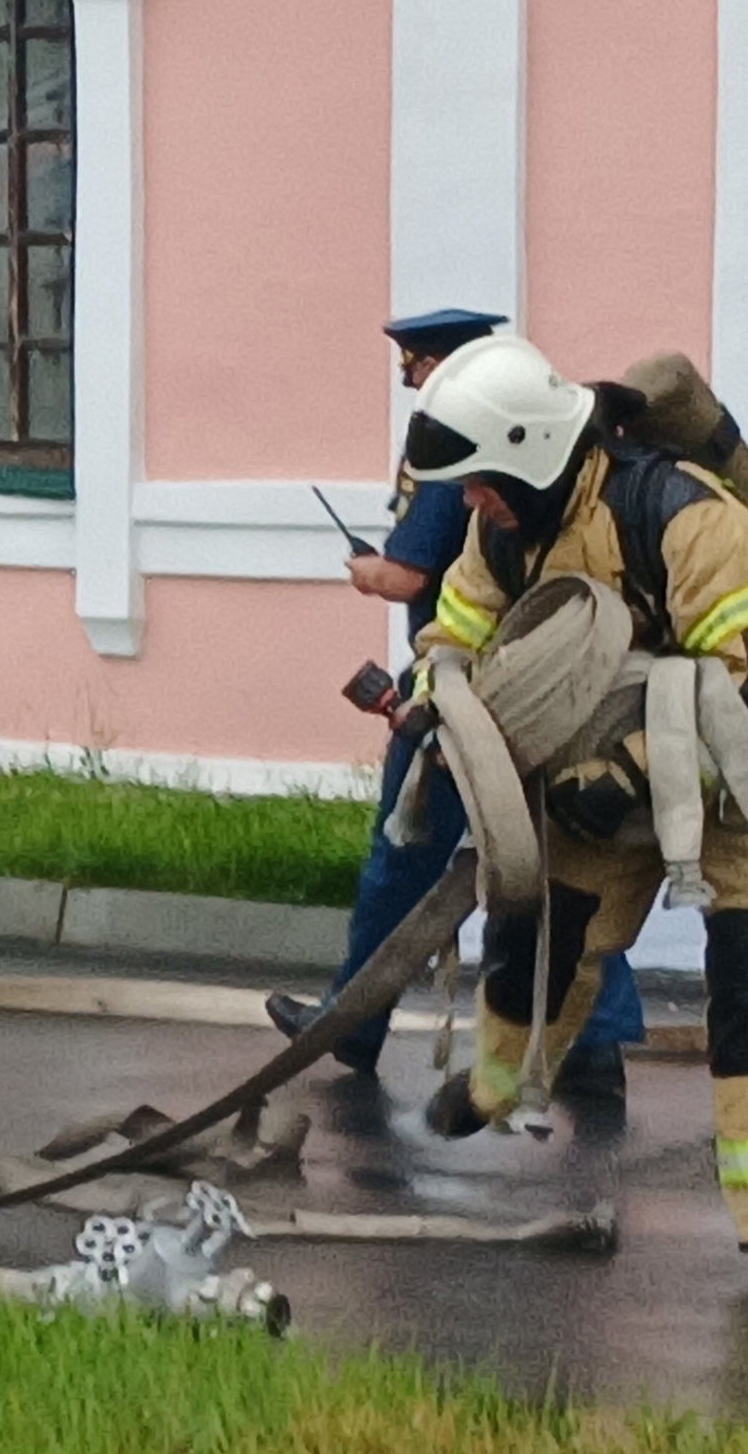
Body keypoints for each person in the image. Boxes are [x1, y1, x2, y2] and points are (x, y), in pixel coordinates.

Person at [402, 335, 748, 1241]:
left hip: (730, 788)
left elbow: (741, 679)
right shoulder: (507, 527)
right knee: (535, 932)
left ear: (531, 451)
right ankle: (496, 1085)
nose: (471, 502)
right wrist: (440, 708)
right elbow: (455, 631)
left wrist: (633, 766)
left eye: (481, 481)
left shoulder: (683, 516)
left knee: (745, 994)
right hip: (602, 776)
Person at [267, 311, 642, 1091]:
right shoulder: (528, 463)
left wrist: (374, 579)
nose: (413, 383)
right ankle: (595, 1046)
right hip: (514, 691)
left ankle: (351, 1022)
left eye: (416, 368)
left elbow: (410, 578)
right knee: (562, 872)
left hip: (478, 702)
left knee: (403, 867)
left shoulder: (462, 449)